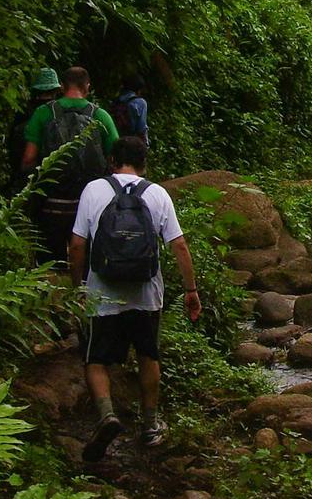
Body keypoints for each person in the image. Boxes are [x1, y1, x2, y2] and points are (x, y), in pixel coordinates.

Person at [68, 136, 201, 461]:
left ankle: (106, 415)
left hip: (103, 294)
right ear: (144, 164)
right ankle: (150, 426)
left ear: (112, 161)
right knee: (147, 355)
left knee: (96, 359)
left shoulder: (94, 190)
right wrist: (191, 290)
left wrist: (79, 287)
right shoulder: (157, 194)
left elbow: (76, 244)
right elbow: (179, 245)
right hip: (146, 294)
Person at [21, 66, 119, 265]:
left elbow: (29, 158)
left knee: (49, 265)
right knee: (88, 265)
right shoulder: (101, 116)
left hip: (50, 204)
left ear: (62, 87)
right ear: (88, 87)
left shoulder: (43, 113)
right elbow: (115, 160)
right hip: (89, 203)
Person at [6, 68, 60, 194]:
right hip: (54, 181)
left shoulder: (22, 114)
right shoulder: (60, 113)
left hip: (24, 179)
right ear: (56, 91)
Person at [109, 73, 150, 147]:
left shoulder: (116, 101)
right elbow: (142, 128)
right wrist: (145, 145)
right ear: (139, 88)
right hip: (132, 143)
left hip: (116, 140)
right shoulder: (140, 102)